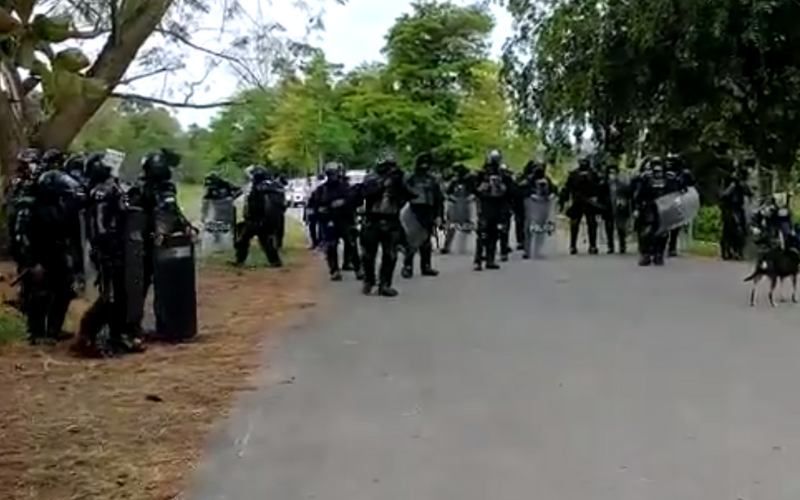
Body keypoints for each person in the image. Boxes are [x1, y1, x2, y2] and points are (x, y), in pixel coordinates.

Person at [78, 153, 145, 355]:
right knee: (110, 297)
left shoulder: (109, 188)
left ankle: (117, 337)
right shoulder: (102, 191)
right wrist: (107, 249)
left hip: (116, 248)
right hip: (108, 251)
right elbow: (99, 225)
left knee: (121, 296)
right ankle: (86, 336)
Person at [15, 169, 83, 344]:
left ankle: (54, 330)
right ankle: (36, 333)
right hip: (39, 255)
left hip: (57, 252)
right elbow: (22, 236)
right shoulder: (30, 205)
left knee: (65, 291)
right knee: (41, 294)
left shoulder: (58, 204)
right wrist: (31, 262)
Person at [357, 152, 412, 297]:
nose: (389, 170)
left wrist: (400, 185)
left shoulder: (399, 178)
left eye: (391, 167)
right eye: (387, 167)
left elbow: (410, 194)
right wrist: (383, 183)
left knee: (391, 255)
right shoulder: (371, 178)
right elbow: (365, 193)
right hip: (372, 220)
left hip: (391, 220)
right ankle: (369, 281)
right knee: (368, 255)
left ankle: (385, 284)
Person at [311, 162, 363, 281]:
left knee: (351, 244)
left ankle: (359, 269)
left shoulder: (346, 187)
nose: (333, 176)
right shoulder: (322, 189)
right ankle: (334, 270)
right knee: (331, 245)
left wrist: (344, 203)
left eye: (335, 173)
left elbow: (355, 201)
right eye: (331, 174)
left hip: (345, 219)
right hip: (329, 220)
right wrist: (323, 209)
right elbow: (315, 205)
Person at [401, 152, 444, 279]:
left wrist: (439, 215)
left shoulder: (433, 180)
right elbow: (403, 195)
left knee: (426, 241)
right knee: (412, 240)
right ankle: (407, 267)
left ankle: (426, 266)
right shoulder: (410, 178)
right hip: (413, 211)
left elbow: (438, 199)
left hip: (428, 211)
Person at [473, 150, 514, 270]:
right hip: (485, 205)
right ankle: (478, 260)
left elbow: (511, 191)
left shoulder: (503, 174)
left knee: (494, 233)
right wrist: (481, 189)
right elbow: (474, 189)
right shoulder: (481, 174)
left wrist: (505, 187)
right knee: (483, 234)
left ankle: (490, 259)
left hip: (498, 206)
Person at [235, 166, 284, 267]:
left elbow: (257, 205)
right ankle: (275, 262)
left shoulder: (258, 187)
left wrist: (253, 216)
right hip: (263, 220)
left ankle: (240, 261)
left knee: (242, 240)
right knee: (265, 242)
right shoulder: (270, 186)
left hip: (256, 219)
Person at [633, 156, 671, 266]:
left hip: (663, 208)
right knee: (647, 233)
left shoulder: (667, 177)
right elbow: (639, 194)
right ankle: (646, 255)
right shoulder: (646, 177)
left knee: (662, 233)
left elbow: (672, 192)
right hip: (649, 208)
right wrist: (638, 208)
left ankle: (658, 254)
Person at [560, 157, 602, 254]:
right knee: (574, 224)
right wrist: (564, 201)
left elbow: (599, 187)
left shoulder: (593, 174)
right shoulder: (574, 174)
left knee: (592, 224)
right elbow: (567, 188)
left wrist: (598, 198)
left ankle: (593, 245)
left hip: (590, 202)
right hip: (577, 202)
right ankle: (573, 246)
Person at [665, 153, 696, 257]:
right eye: (669, 161)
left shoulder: (682, 174)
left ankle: (672, 247)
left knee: (675, 225)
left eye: (672, 161)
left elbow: (691, 184)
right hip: (665, 200)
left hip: (677, 200)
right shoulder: (662, 172)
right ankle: (664, 246)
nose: (670, 164)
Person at [441, 164, 475, 254]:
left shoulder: (470, 179)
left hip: (465, 203)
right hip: (455, 203)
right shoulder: (454, 181)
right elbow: (448, 192)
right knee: (451, 226)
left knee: (465, 225)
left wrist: (470, 198)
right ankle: (447, 246)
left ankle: (462, 246)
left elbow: (474, 192)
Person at [599, 162, 632, 254]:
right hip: (608, 209)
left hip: (620, 209)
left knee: (621, 229)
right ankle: (610, 247)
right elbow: (600, 196)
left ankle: (622, 246)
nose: (612, 175)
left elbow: (629, 193)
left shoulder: (622, 184)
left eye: (614, 173)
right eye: (610, 173)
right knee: (609, 228)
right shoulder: (603, 184)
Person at [719, 170, 752, 260]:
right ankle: (726, 251)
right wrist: (731, 187)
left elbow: (749, 193)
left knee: (741, 229)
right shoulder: (727, 183)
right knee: (727, 230)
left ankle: (738, 251)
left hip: (738, 208)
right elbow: (723, 195)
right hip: (728, 208)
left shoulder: (741, 185)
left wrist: (743, 186)